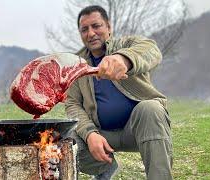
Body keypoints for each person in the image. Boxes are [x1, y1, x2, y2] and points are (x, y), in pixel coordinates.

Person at [65, 5, 173, 180]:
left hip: (139, 129)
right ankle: (104, 168)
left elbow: (152, 50)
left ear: (109, 27)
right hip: (102, 135)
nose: (91, 33)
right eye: (84, 29)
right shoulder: (76, 64)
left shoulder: (127, 45)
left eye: (96, 26)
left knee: (151, 108)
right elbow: (73, 104)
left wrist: (124, 59)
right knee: (66, 137)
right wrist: (91, 134)